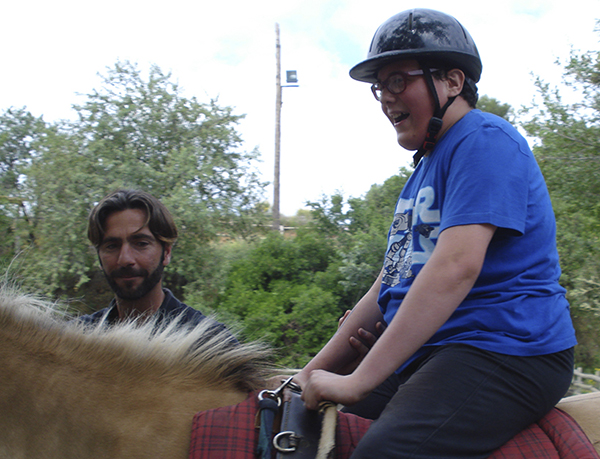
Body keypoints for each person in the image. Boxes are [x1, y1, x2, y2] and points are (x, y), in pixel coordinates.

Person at [294, 8, 577, 459]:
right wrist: (305, 377)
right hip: (436, 350)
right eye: (379, 87)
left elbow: (455, 267)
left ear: (452, 81)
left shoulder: (485, 139)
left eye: (397, 81)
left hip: (505, 349)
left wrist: (358, 380)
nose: (386, 98)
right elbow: (387, 284)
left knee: (383, 453)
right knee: (298, 420)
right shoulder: (422, 172)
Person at [79, 189, 232, 338]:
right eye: (112, 246)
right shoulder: (78, 340)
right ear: (98, 256)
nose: (125, 259)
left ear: (166, 252)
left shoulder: (208, 342)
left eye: (141, 244)